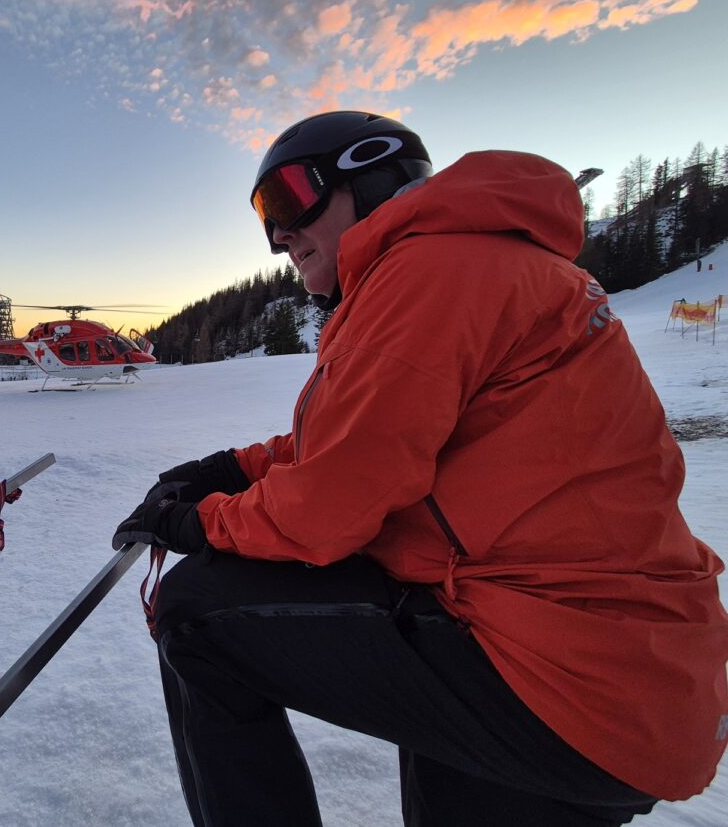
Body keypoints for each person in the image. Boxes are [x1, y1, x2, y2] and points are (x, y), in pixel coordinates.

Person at [113, 111, 728, 826]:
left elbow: (328, 508)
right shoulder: (475, 263)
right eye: (263, 216)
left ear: (372, 177)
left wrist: (198, 521)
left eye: (286, 200)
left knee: (197, 614)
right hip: (614, 670)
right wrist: (229, 468)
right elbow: (363, 442)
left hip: (562, 674)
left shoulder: (430, 272)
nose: (278, 234)